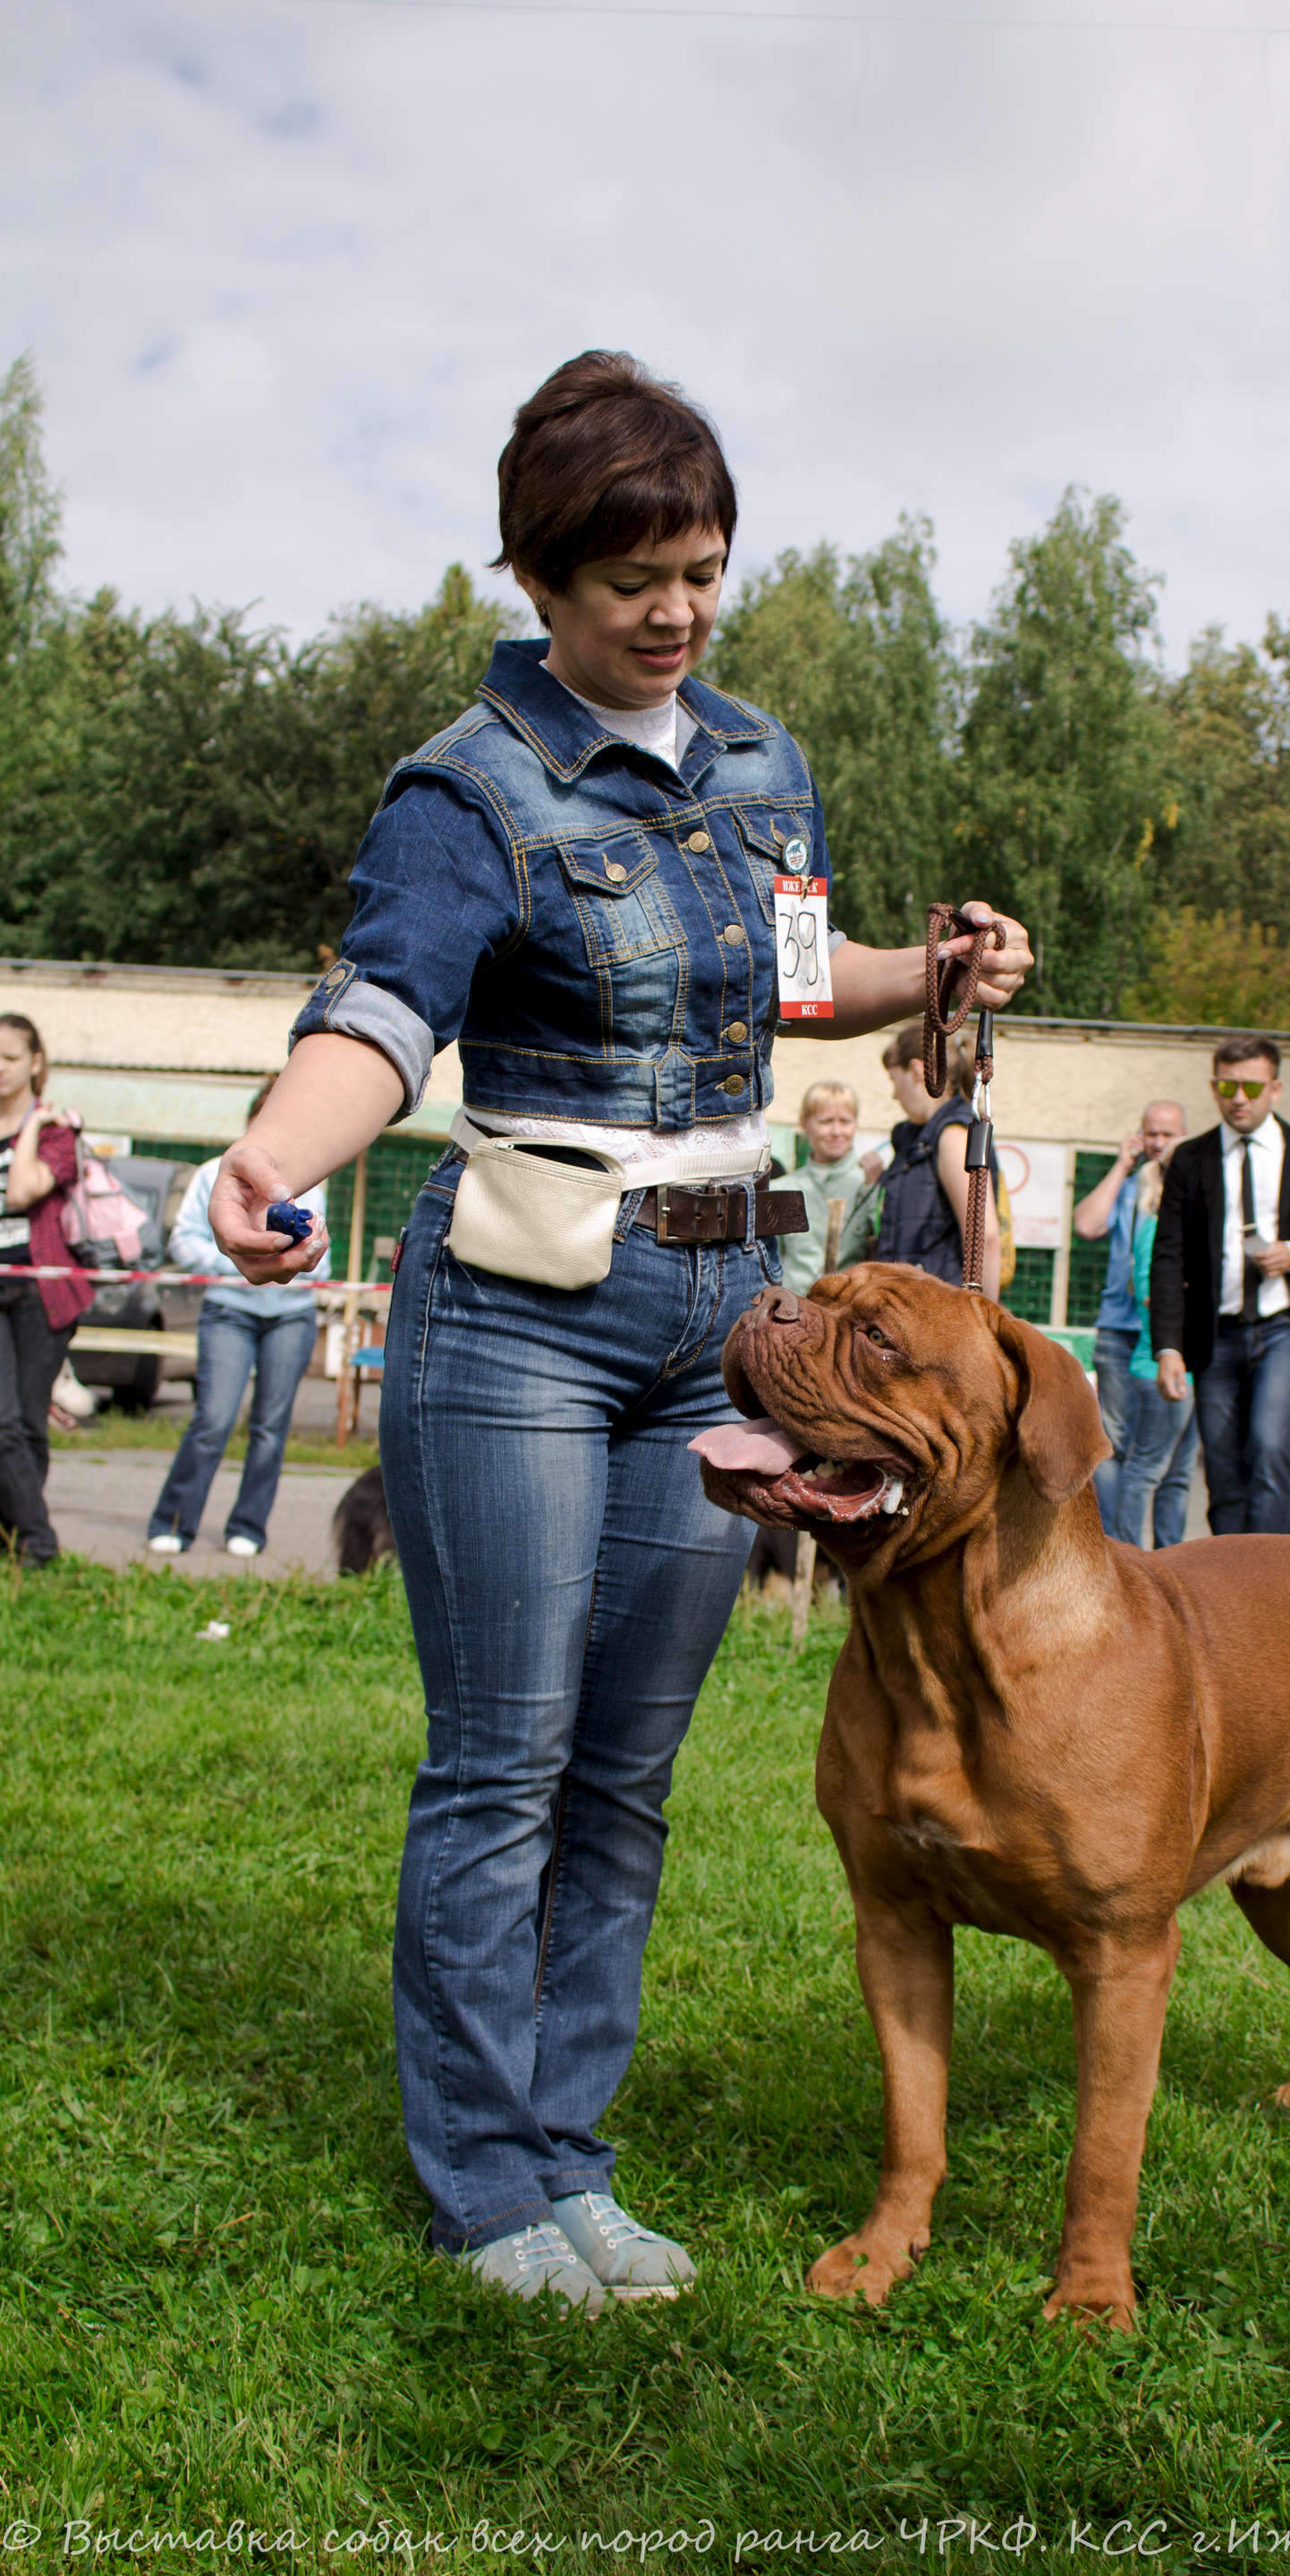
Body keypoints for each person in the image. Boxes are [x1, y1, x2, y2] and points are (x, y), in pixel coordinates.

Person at [208, 351, 1032, 2314]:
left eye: (704, 571)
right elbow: (383, 1012)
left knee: (625, 1773)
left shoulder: (759, 760)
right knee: (505, 1763)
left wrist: (939, 966)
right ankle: (486, 2187)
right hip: (522, 1314)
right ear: (537, 576)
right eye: (632, 580)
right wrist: (269, 1156)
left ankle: (568, 2155)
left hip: (727, 1325)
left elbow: (796, 979)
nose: (676, 614)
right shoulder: (467, 786)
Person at [1150, 1033, 1290, 1536]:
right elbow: (1169, 1257)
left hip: (1286, 1326)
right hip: (1216, 1333)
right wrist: (1168, 1347)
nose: (1239, 1098)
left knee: (1270, 1447)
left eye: (1251, 1086)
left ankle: (1271, 1571)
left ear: (1275, 1089)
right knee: (1222, 1465)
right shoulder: (1191, 1160)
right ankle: (1231, 1575)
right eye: (1228, 1086)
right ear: (1214, 1087)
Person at [147, 1077, 332, 1558]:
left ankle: (247, 1527)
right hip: (229, 1311)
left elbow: (322, 1259)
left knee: (270, 1429)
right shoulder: (214, 1173)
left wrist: (306, 1256)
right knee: (213, 1419)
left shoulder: (313, 1180)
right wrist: (235, 1259)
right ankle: (173, 1523)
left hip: (291, 1316)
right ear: (253, 1121)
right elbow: (183, 1241)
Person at [1072, 1100, 1189, 1544]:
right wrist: (1122, 1164)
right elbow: (1087, 1225)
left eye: (1168, 1134)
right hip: (1121, 1331)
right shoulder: (1130, 1187)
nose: (1158, 1143)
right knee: (1114, 1445)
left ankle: (1170, 1554)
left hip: (1175, 1336)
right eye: (1151, 1134)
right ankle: (1116, 1546)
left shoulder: (1191, 1188)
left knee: (1173, 1460)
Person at [0, 1013, 93, 1567]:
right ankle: (38, 1540)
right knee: (3, 1420)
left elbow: (23, 1191)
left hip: (42, 1290)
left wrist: (30, 1126)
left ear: (35, 1063)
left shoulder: (58, 1129)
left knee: (29, 1423)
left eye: (9, 1057)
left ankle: (16, 1540)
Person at [872, 1025, 1003, 1300]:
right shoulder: (919, 1138)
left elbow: (984, 1237)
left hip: (940, 1309)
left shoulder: (952, 1135)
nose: (894, 1095)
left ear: (916, 1071)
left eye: (894, 1080)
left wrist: (986, 1317)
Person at [1118, 1140, 1200, 1547]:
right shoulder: (1156, 1228)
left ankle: (1171, 1557)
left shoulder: (1177, 1227)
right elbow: (1153, 1296)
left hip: (1187, 1368)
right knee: (1146, 1469)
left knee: (1178, 1476)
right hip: (1159, 1368)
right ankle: (1128, 1556)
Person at [778, 1081, 881, 1294]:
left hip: (850, 1305)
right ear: (804, 1123)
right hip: (795, 1303)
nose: (836, 1132)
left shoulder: (869, 1183)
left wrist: (874, 1189)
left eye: (845, 1121)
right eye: (826, 1122)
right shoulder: (782, 1189)